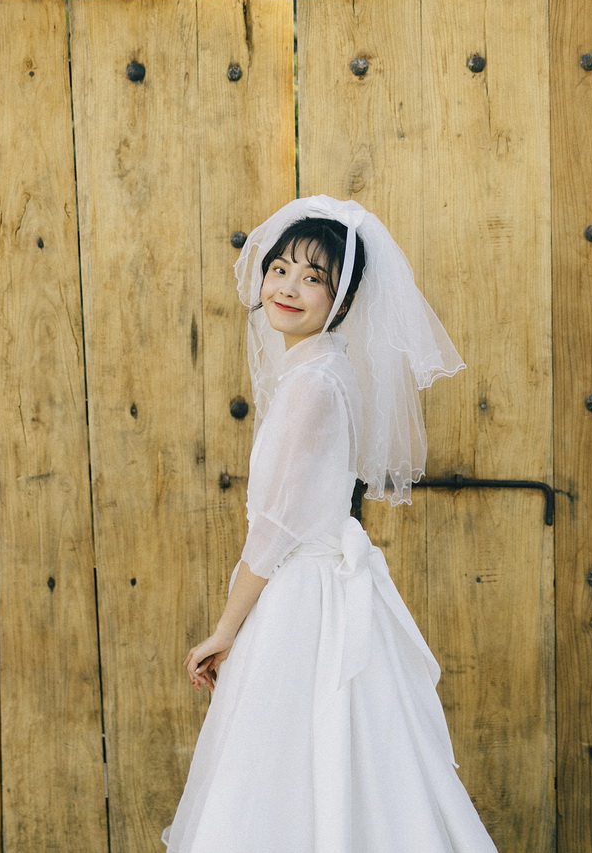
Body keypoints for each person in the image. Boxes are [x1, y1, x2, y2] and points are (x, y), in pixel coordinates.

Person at [162, 196, 500, 852]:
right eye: (279, 269)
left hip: (303, 603)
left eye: (313, 277)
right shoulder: (323, 368)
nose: (288, 287)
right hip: (319, 593)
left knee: (282, 772)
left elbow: (273, 531)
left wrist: (224, 630)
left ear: (341, 298)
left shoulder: (312, 383)